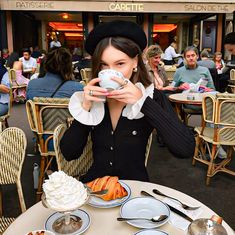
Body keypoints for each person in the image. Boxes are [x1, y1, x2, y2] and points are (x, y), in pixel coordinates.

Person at [60, 20, 195, 183]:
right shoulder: (95, 98)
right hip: (97, 188)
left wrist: (142, 102)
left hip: (135, 190)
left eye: (120, 64)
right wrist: (86, 106)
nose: (111, 74)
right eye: (104, 65)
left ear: (135, 62)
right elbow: (69, 153)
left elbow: (185, 148)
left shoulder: (151, 96)